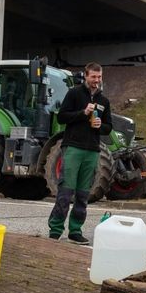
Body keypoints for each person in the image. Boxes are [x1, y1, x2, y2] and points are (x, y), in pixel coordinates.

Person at [48, 63, 111, 244]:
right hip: (73, 148)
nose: (96, 81)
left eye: (99, 77)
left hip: (92, 151)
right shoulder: (74, 94)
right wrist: (83, 113)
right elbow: (62, 117)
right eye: (93, 77)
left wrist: (102, 127)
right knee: (66, 191)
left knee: (83, 194)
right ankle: (55, 229)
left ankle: (75, 230)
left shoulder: (104, 101)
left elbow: (109, 127)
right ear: (86, 76)